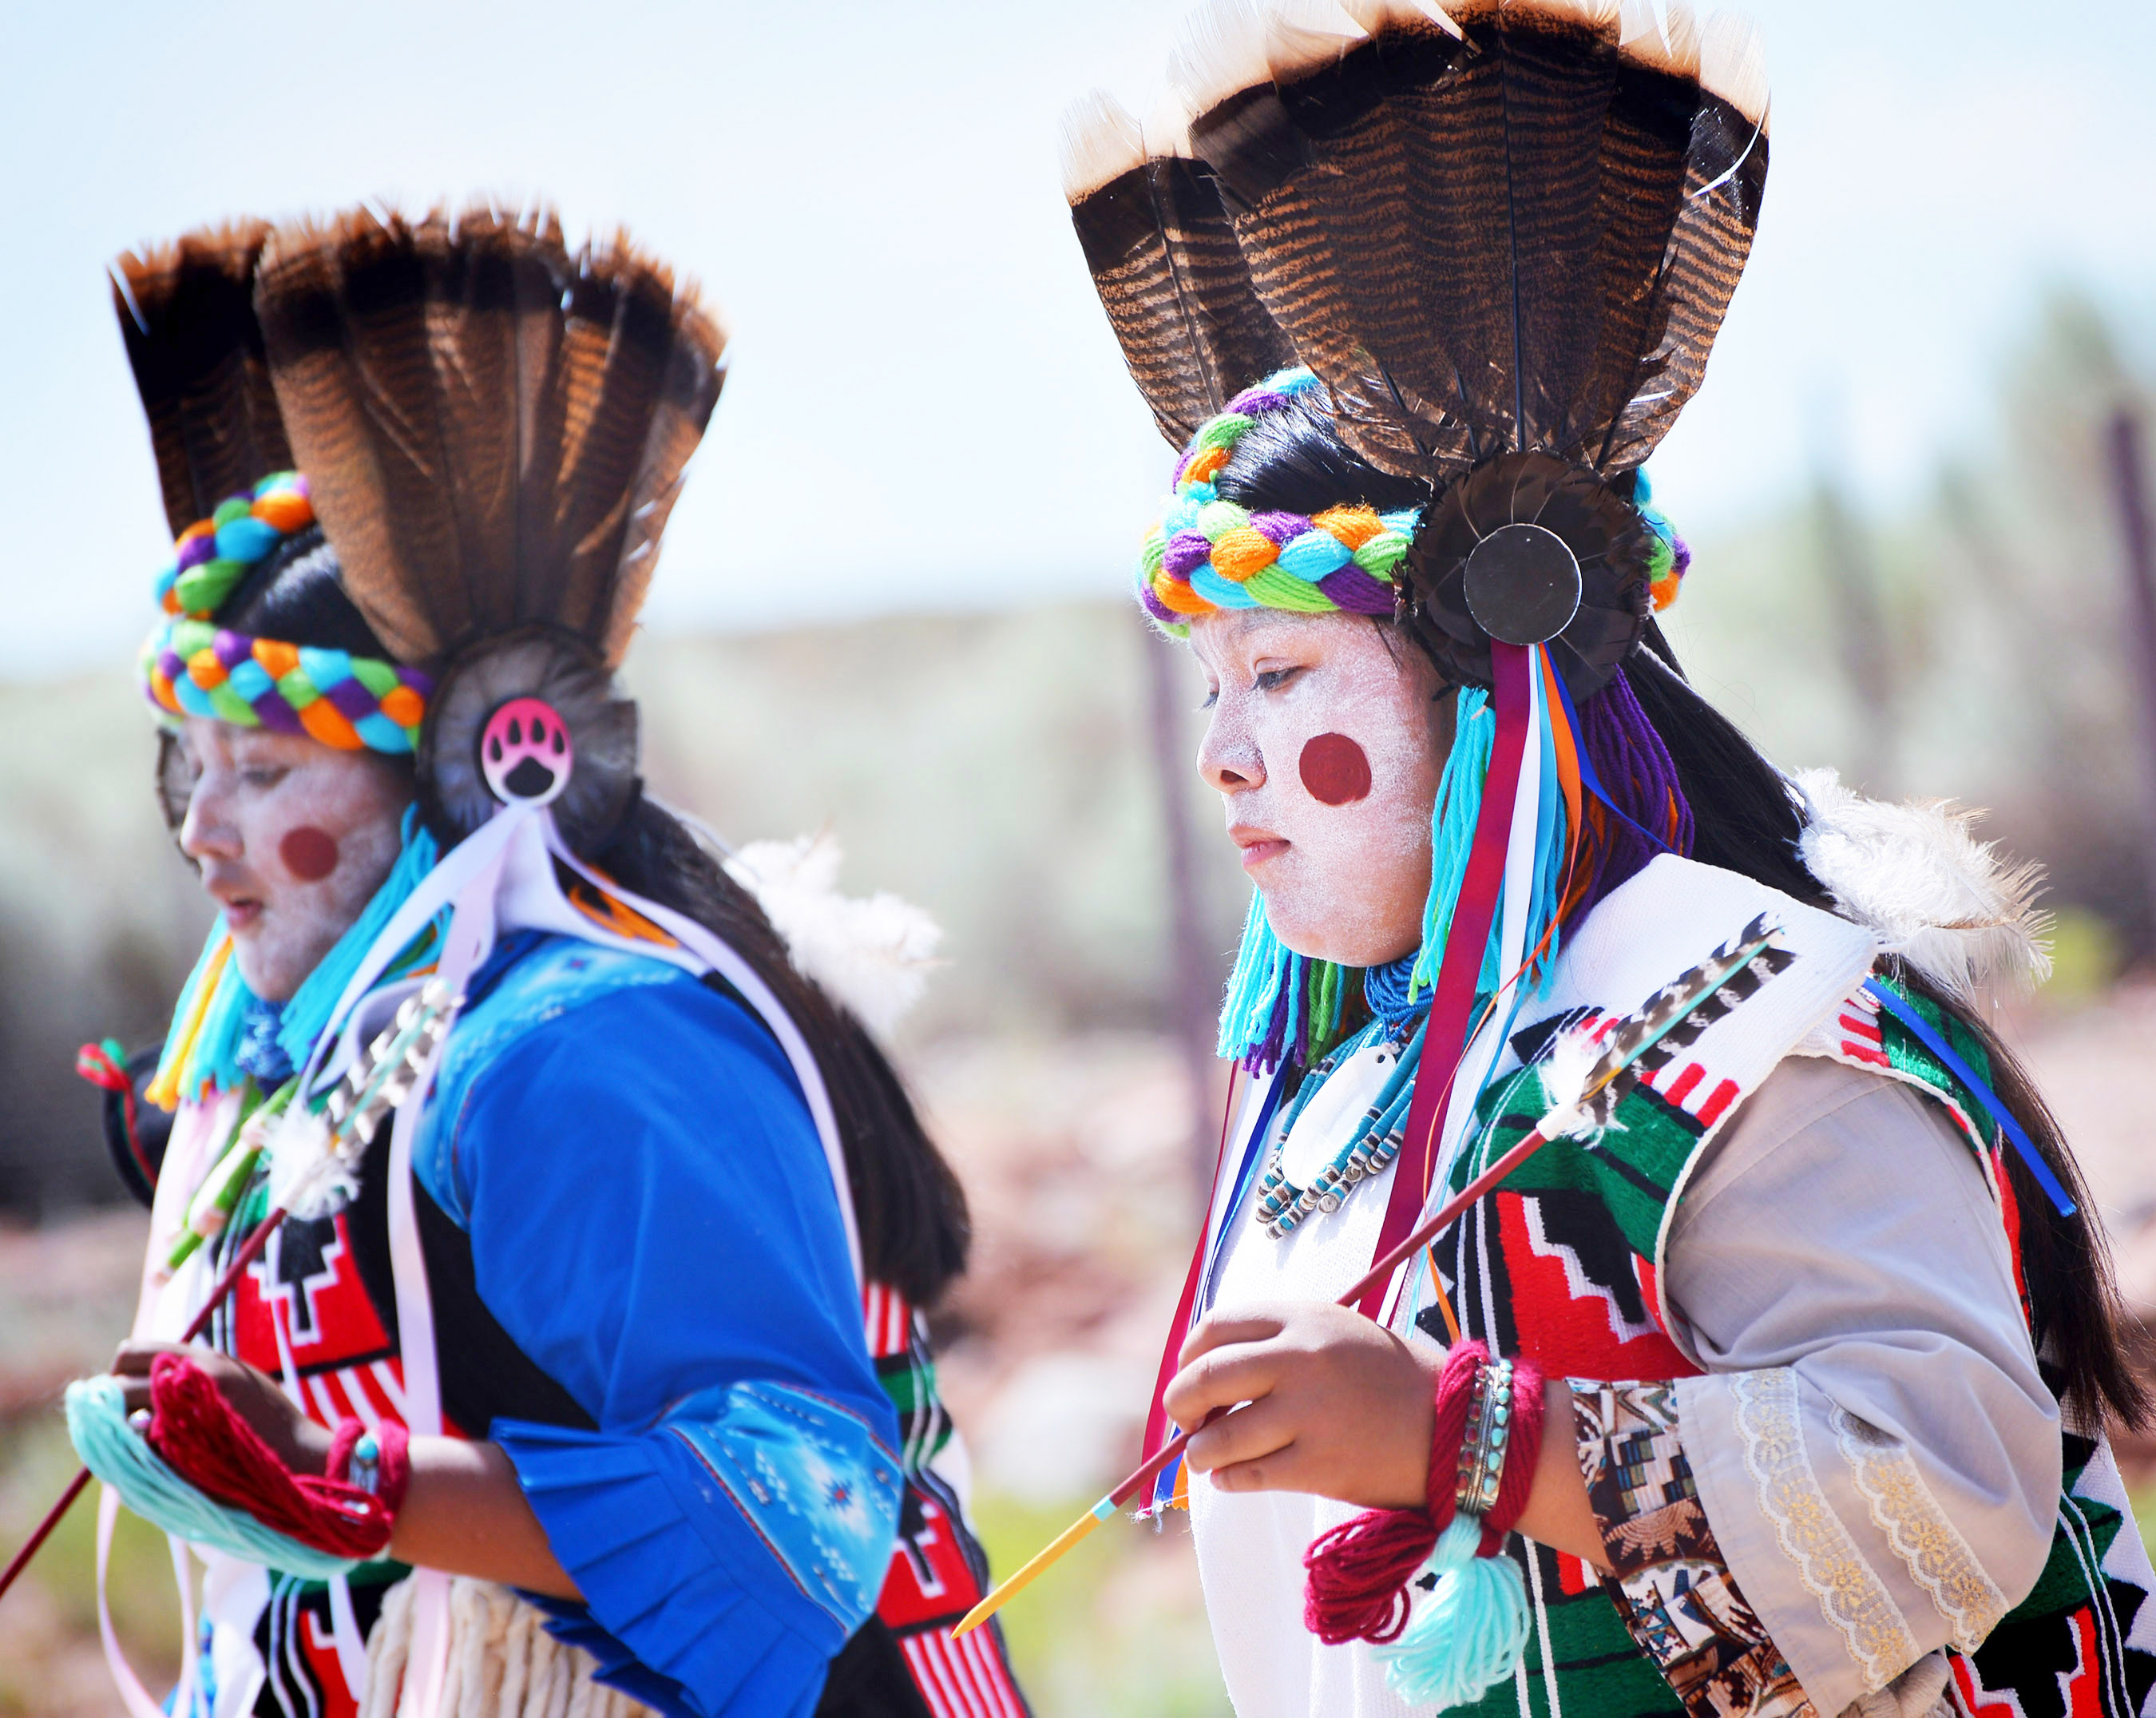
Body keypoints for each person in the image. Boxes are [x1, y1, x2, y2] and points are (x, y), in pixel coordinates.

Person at [1059, 4, 2156, 1716]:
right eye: (1211, 689)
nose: (1224, 754)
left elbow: (1948, 1489)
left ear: (1499, 668)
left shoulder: (1748, 1024)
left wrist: (1461, 1433)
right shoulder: (1350, 1071)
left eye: (1278, 677)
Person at [73, 209, 1028, 1718]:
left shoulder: (583, 1051)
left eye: (261, 771)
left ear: (470, 770)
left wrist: (343, 1477)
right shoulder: (309, 1065)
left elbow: (801, 1516)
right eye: (187, 772)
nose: (204, 832)